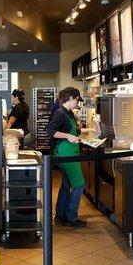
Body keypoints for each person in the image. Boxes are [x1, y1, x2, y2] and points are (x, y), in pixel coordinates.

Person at [47, 87, 94, 228]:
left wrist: (91, 130)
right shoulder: (60, 113)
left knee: (66, 184)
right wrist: (68, 136)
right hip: (65, 153)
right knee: (79, 184)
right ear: (71, 98)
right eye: (77, 100)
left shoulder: (68, 113)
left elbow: (74, 130)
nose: (78, 103)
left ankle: (60, 215)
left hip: (69, 152)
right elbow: (51, 131)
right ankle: (71, 217)